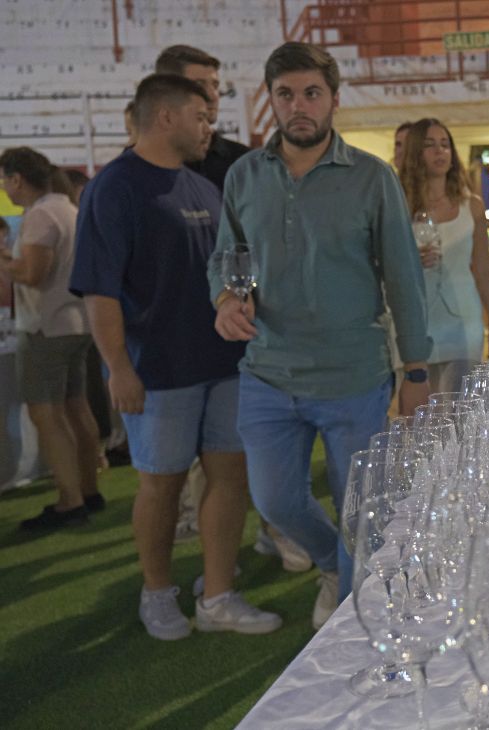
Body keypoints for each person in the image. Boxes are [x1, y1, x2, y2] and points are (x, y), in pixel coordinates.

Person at [209, 42, 432, 627]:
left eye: (311, 93)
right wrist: (225, 299)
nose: (298, 106)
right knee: (276, 501)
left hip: (352, 375)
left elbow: (404, 280)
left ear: (334, 99)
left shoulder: (372, 178)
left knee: (364, 512)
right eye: (286, 95)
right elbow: (223, 258)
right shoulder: (243, 175)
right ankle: (337, 565)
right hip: (266, 373)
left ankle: (353, 632)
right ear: (271, 102)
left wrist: (416, 372)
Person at [70, 74, 281, 639]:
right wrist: (119, 367)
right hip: (156, 371)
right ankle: (157, 593)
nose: (210, 126)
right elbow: (100, 290)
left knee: (230, 476)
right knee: (161, 485)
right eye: (201, 115)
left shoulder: (204, 187)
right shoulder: (113, 188)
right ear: (166, 117)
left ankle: (217, 595)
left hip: (224, 364)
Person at [156, 43, 307, 572]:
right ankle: (219, 554)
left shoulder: (241, 161)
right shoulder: (146, 170)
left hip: (252, 331)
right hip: (184, 336)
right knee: (200, 463)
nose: (214, 99)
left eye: (217, 89)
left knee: (262, 445)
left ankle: (275, 529)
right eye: (203, 88)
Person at [0, 147, 103, 530]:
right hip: (76, 323)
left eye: (5, 180)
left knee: (47, 413)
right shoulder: (67, 209)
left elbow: (33, 274)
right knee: (76, 407)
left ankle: (70, 500)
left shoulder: (41, 214)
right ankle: (88, 490)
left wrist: (4, 261)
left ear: (16, 179)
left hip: (47, 326)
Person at [398, 118, 489, 393]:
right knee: (419, 419)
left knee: (460, 412)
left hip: (463, 321)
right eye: (430, 145)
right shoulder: (397, 205)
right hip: (414, 324)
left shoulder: (472, 206)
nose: (440, 152)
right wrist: (408, 261)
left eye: (445, 145)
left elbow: (482, 269)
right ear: (415, 153)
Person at [155, 45, 249, 191]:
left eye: (215, 85)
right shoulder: (136, 167)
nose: (213, 96)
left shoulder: (245, 163)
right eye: (199, 85)